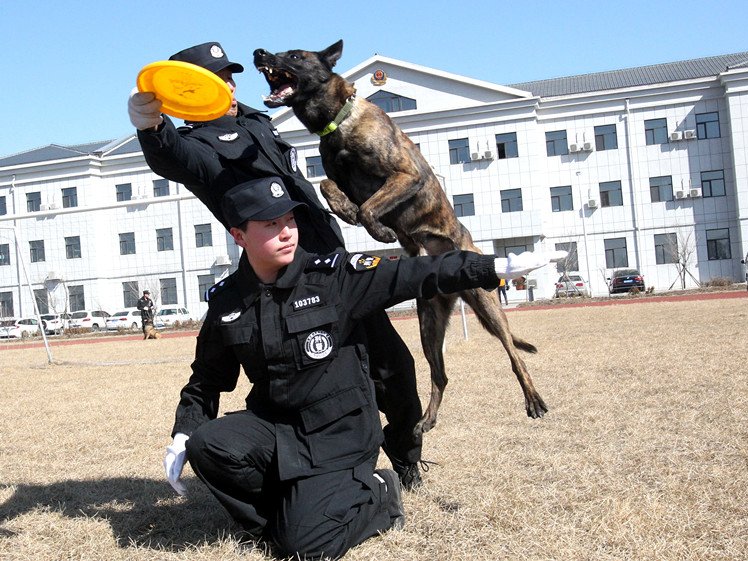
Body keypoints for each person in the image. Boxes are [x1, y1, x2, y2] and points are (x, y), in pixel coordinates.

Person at [162, 177, 544, 559]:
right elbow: (208, 377)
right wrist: (185, 431)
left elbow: (413, 274)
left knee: (304, 547)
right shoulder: (228, 301)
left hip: (338, 432)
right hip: (276, 425)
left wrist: (490, 266)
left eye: (290, 221)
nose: (286, 233)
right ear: (239, 236)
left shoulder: (333, 277)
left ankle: (380, 493)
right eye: (270, 225)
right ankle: (279, 521)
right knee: (208, 446)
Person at [128, 42, 424, 488]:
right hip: (291, 278)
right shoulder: (197, 148)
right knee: (324, 381)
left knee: (394, 366)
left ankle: (405, 459)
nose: (229, 85)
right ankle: (314, 466)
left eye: (230, 76)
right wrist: (151, 125)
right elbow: (171, 155)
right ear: (190, 92)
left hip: (332, 262)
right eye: (216, 80)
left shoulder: (255, 120)